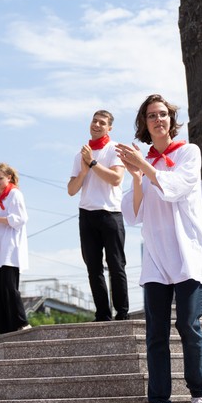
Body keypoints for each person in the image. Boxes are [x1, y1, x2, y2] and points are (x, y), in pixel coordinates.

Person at [117, 94, 202, 403]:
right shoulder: (145, 163)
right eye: (150, 116)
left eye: (162, 114)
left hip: (188, 256)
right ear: (144, 125)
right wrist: (136, 176)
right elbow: (133, 213)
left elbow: (175, 187)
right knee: (155, 334)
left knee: (188, 326)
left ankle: (199, 395)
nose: (158, 120)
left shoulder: (188, 152)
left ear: (172, 120)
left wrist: (143, 166)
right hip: (156, 259)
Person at [67, 110, 129, 322]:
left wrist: (93, 163)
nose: (96, 125)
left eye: (102, 123)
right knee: (93, 267)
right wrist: (84, 169)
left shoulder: (114, 149)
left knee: (116, 265)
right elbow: (71, 189)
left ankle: (122, 312)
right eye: (94, 121)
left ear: (109, 127)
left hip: (110, 212)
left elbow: (116, 179)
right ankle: (102, 313)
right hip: (87, 213)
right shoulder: (81, 154)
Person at [0, 163, 30, 334]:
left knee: (9, 287)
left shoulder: (15, 194)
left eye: (0, 178)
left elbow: (20, 219)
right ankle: (2, 328)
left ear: (9, 177)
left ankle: (20, 323)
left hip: (11, 246)